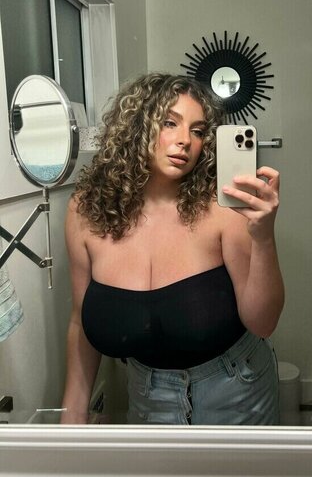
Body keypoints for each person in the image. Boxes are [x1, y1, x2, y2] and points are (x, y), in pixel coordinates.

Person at [61, 72, 284, 425]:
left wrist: (264, 237)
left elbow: (264, 323)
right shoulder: (86, 210)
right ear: (136, 126)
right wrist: (73, 413)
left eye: (197, 131)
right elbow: (79, 322)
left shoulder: (222, 207)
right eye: (170, 123)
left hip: (236, 389)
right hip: (147, 396)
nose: (185, 141)